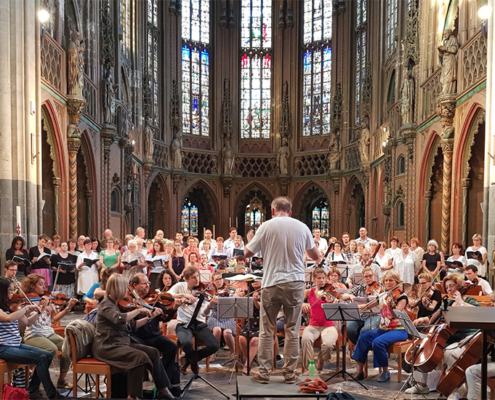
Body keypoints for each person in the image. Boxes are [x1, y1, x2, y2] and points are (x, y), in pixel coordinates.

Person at [244, 196, 320, 384]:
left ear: (272, 211)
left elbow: (247, 253)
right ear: (290, 211)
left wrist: (250, 239)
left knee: (266, 329)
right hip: (295, 282)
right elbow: (315, 256)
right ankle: (289, 373)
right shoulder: (302, 227)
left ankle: (263, 372)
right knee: (292, 330)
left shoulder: (266, 226)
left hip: (271, 282)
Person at [92, 274, 176, 400]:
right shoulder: (106, 304)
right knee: (140, 356)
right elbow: (118, 319)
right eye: (124, 287)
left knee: (152, 352)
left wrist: (149, 317)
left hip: (120, 342)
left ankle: (163, 389)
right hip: (107, 346)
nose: (127, 290)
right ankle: (133, 396)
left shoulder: (115, 303)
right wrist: (138, 310)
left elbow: (131, 326)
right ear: (117, 288)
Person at [405, 274, 480, 395]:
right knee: (419, 348)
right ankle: (421, 385)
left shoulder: (470, 301)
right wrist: (423, 319)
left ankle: (454, 387)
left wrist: (460, 302)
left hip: (464, 337)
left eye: (452, 286)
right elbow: (433, 317)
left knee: (449, 353)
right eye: (447, 287)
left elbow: (479, 314)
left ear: (459, 286)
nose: (449, 289)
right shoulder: (449, 302)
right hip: (447, 337)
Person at [0, 277, 62, 399]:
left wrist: (39, 311)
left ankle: (33, 388)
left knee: (48, 355)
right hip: (3, 347)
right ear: (2, 291)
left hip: (15, 344)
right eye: (11, 290)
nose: (13, 293)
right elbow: (8, 318)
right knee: (40, 357)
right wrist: (26, 308)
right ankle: (52, 394)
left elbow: (27, 322)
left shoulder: (11, 306)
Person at [21, 274, 78, 389]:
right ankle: (35, 379)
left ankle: (61, 380)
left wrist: (68, 307)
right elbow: (27, 322)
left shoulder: (47, 299)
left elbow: (55, 318)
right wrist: (41, 307)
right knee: (51, 348)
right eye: (40, 285)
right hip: (33, 335)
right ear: (32, 286)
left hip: (48, 333)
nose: (44, 288)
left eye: (44, 284)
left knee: (68, 346)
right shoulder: (27, 302)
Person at [351, 270, 409, 382]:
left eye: (391, 280)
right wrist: (353, 307)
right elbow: (367, 306)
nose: (388, 282)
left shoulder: (402, 297)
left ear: (396, 281)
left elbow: (396, 315)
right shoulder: (384, 295)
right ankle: (359, 372)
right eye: (386, 280)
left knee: (378, 342)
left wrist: (390, 307)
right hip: (384, 329)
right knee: (363, 337)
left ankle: (386, 372)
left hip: (399, 330)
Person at [129, 273, 180, 397]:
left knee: (171, 347)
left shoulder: (155, 298)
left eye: (148, 283)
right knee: (149, 352)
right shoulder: (129, 301)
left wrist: (174, 308)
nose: (147, 286)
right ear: (135, 285)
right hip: (137, 337)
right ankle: (154, 386)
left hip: (154, 335)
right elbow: (130, 323)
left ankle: (164, 384)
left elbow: (165, 317)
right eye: (144, 283)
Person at [167, 266, 219, 375]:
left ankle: (188, 360)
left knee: (214, 345)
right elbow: (168, 295)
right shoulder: (180, 286)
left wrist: (210, 305)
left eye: (197, 277)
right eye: (193, 277)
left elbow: (205, 313)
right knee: (186, 343)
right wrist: (184, 295)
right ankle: (193, 363)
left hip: (199, 324)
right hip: (184, 324)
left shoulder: (202, 291)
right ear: (186, 279)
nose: (197, 280)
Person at [301, 268, 339, 372]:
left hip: (328, 326)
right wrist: (303, 304)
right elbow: (296, 299)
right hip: (313, 325)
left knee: (328, 344)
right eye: (319, 278)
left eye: (323, 278)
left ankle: (321, 360)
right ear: (313, 279)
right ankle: (309, 367)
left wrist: (337, 301)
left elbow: (341, 297)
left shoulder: (330, 292)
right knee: (305, 339)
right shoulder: (310, 291)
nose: (322, 280)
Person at [342, 267, 383, 345]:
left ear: (374, 275)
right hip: (359, 314)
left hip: (374, 315)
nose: (368, 278)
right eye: (366, 277)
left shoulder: (380, 287)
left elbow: (383, 300)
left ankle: (362, 348)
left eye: (370, 276)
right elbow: (343, 296)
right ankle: (358, 345)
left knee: (365, 330)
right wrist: (350, 296)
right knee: (350, 329)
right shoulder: (360, 287)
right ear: (363, 278)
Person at [206, 272, 236, 362]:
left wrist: (232, 295)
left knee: (227, 333)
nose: (219, 281)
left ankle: (233, 353)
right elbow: (207, 309)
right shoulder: (211, 293)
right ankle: (213, 352)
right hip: (215, 317)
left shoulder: (229, 291)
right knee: (217, 330)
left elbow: (236, 300)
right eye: (216, 279)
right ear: (213, 282)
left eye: (220, 279)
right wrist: (211, 302)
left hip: (228, 317)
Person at [238, 280, 262, 375]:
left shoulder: (267, 292)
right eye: (253, 280)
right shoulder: (248, 293)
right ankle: (250, 361)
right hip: (250, 322)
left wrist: (255, 300)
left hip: (262, 323)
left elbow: (261, 308)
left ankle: (246, 365)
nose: (255, 282)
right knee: (242, 339)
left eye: (257, 280)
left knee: (254, 340)